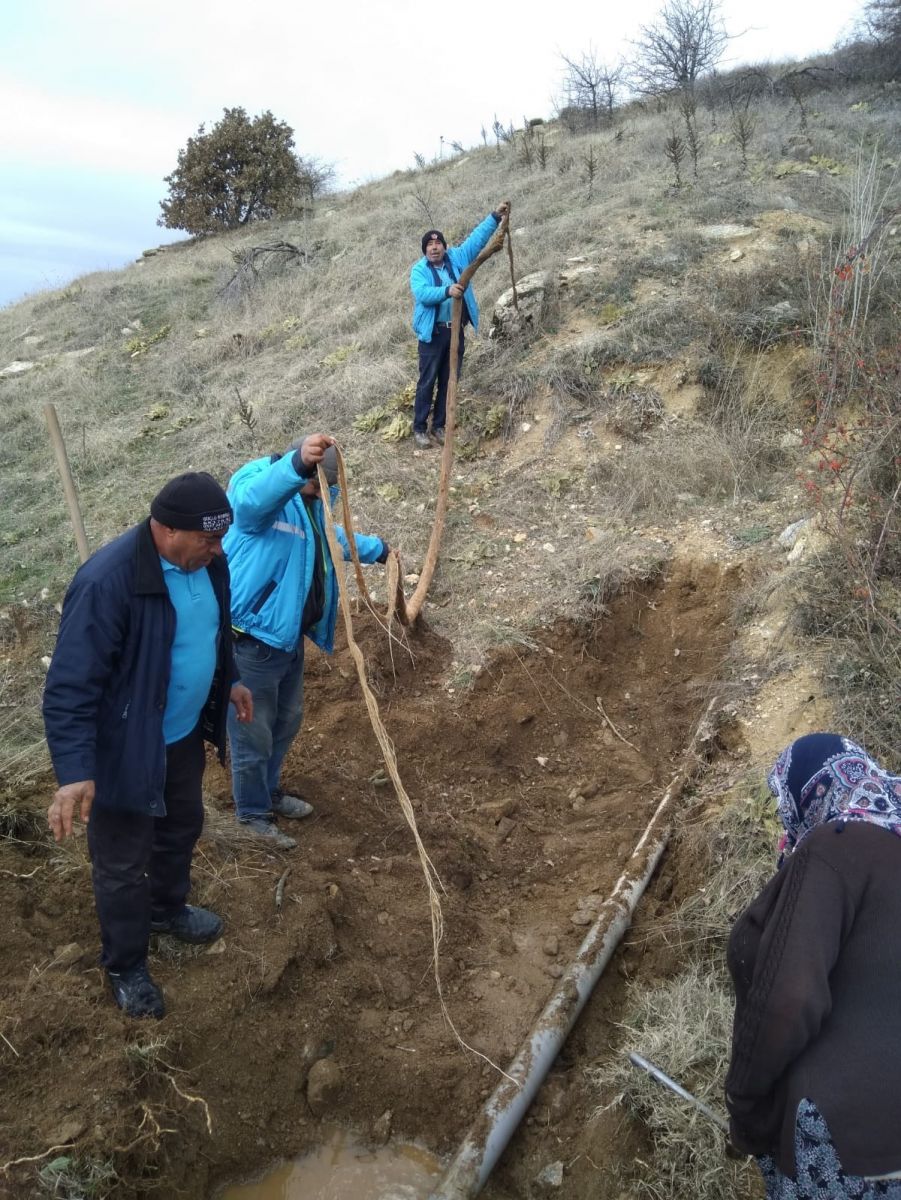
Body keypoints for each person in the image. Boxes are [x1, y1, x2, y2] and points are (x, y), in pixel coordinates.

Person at [43, 473, 253, 1020]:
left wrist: (227, 682)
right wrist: (74, 771)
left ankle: (166, 909)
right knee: (121, 862)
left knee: (181, 827)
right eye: (207, 539)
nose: (218, 550)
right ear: (165, 530)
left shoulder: (209, 565)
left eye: (220, 539)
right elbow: (70, 686)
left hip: (179, 739)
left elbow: (208, 634)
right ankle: (125, 963)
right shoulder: (108, 582)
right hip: (125, 750)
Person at [725, 733, 901, 1197]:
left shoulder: (833, 846)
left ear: (809, 792)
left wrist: (743, 1104)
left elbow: (788, 997)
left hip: (847, 1147)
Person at [224, 434, 390, 849]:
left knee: (286, 721)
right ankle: (251, 817)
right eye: (317, 485)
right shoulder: (261, 482)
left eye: (325, 488)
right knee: (252, 733)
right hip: (250, 641)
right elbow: (250, 506)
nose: (321, 495)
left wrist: (379, 550)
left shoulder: (309, 502)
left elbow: (327, 535)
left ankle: (269, 792)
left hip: (286, 639)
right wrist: (296, 466)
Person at [410, 201, 509, 450]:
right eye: (430, 246)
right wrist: (447, 290)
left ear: (444, 246)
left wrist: (495, 217)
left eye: (438, 244)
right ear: (425, 250)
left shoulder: (457, 258)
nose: (434, 248)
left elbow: (477, 239)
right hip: (432, 335)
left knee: (449, 379)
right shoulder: (418, 271)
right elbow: (422, 294)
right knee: (427, 380)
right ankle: (420, 428)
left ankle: (440, 425)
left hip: (455, 332)